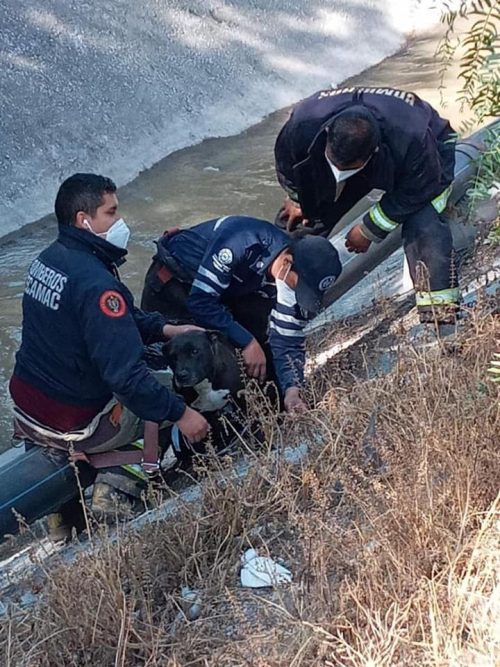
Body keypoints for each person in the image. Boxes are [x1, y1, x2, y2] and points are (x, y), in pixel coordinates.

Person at [9, 173, 209, 533]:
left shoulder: (49, 260)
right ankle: (116, 490)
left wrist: (164, 328)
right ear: (84, 220)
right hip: (72, 417)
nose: (119, 222)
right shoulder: (97, 284)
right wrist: (182, 414)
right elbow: (125, 377)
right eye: (111, 213)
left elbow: (114, 318)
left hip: (28, 404)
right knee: (164, 388)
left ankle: (62, 519)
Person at [274, 86, 459, 324]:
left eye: (347, 170)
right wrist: (298, 197)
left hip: (429, 159)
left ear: (373, 153)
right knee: (299, 219)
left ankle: (440, 319)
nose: (339, 174)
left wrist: (368, 229)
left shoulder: (413, 136)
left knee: (423, 221)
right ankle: (268, 300)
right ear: (327, 134)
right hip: (361, 152)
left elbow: (419, 190)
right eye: (335, 165)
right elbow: (286, 159)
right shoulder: (305, 121)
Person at [141, 215, 342, 413]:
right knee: (174, 361)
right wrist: (247, 342)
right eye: (298, 287)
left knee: (263, 351)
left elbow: (288, 341)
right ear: (287, 261)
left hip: (228, 292)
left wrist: (292, 390)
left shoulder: (289, 277)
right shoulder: (241, 240)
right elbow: (200, 302)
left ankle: (251, 411)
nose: (295, 293)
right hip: (174, 288)